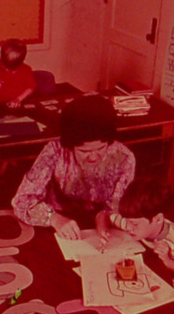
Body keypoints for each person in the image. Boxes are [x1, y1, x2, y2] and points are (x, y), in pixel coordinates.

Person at [11, 96, 137, 240]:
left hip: (102, 227)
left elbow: (119, 204)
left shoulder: (123, 157)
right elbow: (21, 200)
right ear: (70, 145)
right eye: (84, 151)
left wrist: (105, 215)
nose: (93, 157)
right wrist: (54, 218)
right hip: (57, 222)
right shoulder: (54, 151)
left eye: (101, 148)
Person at [105, 179, 174, 301]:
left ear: (157, 219)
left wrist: (168, 262)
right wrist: (103, 230)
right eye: (128, 222)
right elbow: (104, 215)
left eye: (134, 224)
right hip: (152, 279)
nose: (129, 227)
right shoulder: (134, 221)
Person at [0, 39, 39, 110]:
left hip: (16, 104)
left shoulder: (26, 70)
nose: (6, 70)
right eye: (5, 66)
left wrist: (18, 99)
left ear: (20, 62)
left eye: (11, 69)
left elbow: (31, 88)